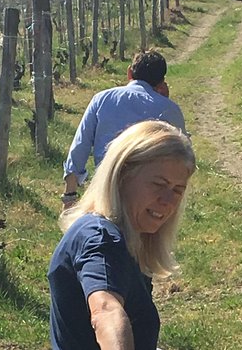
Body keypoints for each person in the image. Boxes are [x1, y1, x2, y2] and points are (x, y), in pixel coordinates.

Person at [48, 120, 196, 349]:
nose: (168, 202)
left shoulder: (126, 237)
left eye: (178, 190)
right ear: (124, 174)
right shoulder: (101, 238)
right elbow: (105, 310)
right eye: (159, 184)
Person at [62, 50, 186, 209]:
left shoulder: (102, 99)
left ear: (129, 73)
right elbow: (181, 155)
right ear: (162, 81)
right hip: (149, 194)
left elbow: (80, 146)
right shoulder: (169, 109)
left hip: (105, 187)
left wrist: (69, 195)